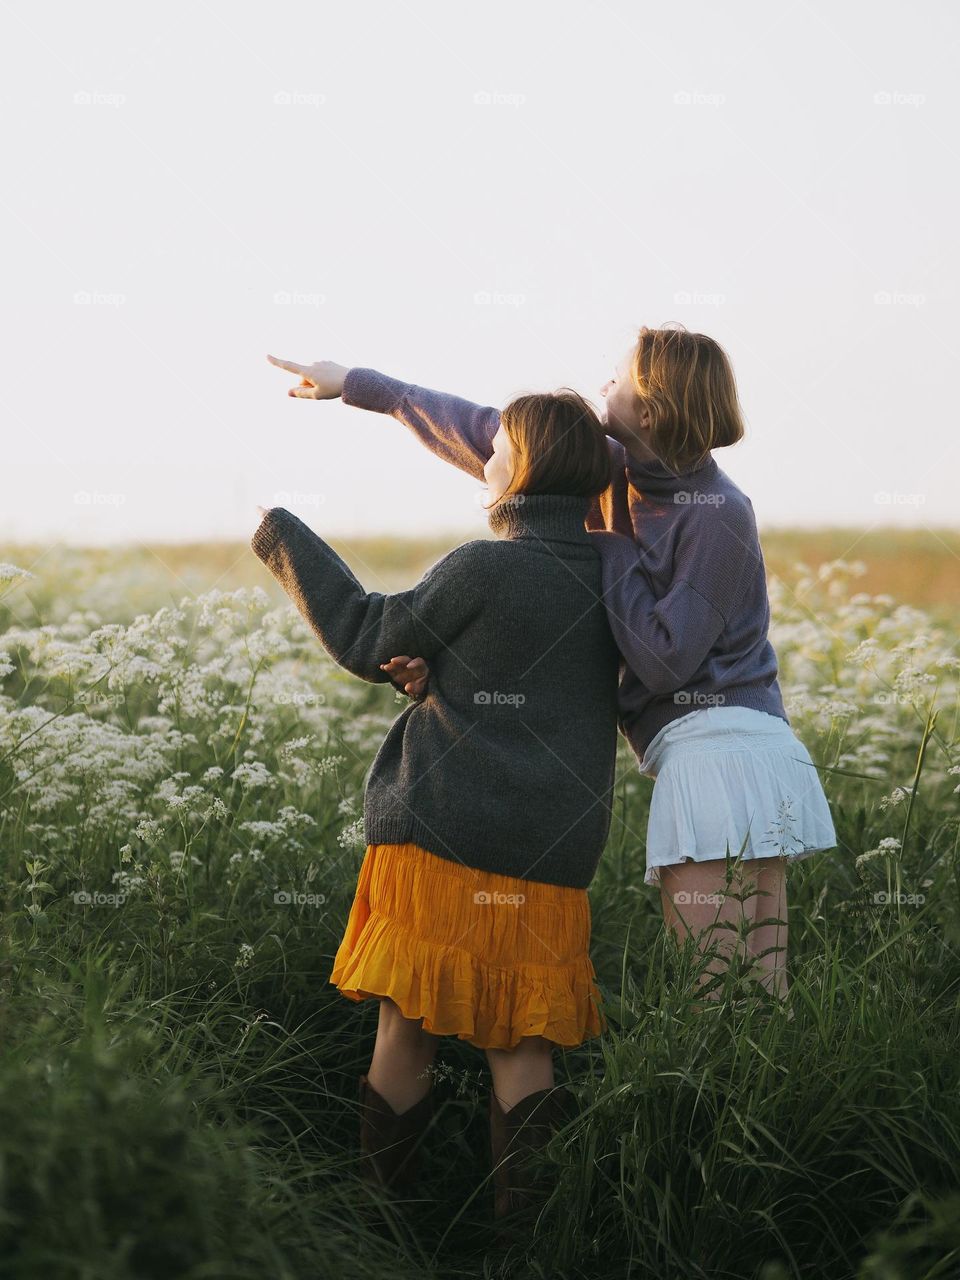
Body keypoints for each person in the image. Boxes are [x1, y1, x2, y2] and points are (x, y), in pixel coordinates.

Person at [266, 326, 837, 1012]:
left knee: (718, 992)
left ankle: (718, 1115)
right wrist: (363, 385)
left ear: (649, 412)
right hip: (718, 752)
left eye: (617, 379)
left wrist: (605, 546)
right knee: (751, 990)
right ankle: (754, 1104)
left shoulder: (717, 516)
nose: (603, 386)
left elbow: (662, 661)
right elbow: (492, 435)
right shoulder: (611, 468)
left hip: (723, 748)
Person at [253, 375, 621, 1225]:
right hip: (552, 854)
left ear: (521, 467)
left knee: (405, 1028)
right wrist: (442, 678)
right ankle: (528, 1243)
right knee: (523, 1047)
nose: (484, 458)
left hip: (442, 831)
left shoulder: (489, 563)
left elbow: (366, 634)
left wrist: (282, 537)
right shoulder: (613, 582)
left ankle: (383, 1228)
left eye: (496, 447)